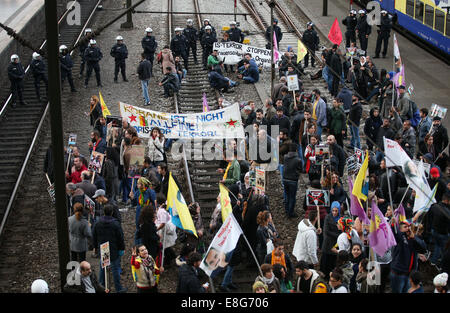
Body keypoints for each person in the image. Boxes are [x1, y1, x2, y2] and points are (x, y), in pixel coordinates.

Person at [92, 204, 126, 293]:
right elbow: (120, 237)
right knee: (115, 269)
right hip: (114, 249)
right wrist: (122, 248)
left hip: (103, 248)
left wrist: (95, 247)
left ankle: (101, 286)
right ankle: (118, 288)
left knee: (103, 267)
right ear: (112, 212)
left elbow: (94, 235)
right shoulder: (115, 224)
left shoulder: (98, 223)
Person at [389, 220, 427, 293]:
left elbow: (423, 248)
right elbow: (395, 234)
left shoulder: (413, 238)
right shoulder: (400, 237)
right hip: (399, 273)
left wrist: (414, 238)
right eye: (405, 227)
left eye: (409, 226)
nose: (408, 228)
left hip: (410, 275)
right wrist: (393, 225)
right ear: (400, 229)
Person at [321, 203, 341, 279]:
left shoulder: (341, 218)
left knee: (333, 262)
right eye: (333, 210)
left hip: (336, 244)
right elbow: (326, 231)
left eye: (336, 211)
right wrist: (338, 235)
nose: (334, 213)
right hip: (328, 243)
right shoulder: (328, 217)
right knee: (326, 262)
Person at [282, 143, 302, 218]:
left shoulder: (285, 157)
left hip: (285, 179)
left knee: (287, 195)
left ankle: (287, 210)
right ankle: (290, 212)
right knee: (292, 197)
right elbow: (300, 169)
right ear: (296, 150)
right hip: (293, 180)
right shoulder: (298, 160)